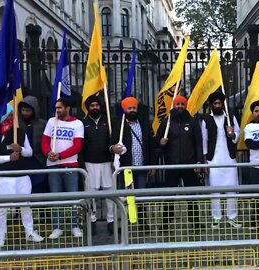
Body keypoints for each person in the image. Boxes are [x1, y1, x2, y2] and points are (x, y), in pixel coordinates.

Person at [0, 106, 44, 247]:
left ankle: (29, 232)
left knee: (26, 205)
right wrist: (8, 158)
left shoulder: (20, 133)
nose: (12, 117)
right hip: (4, 177)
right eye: (9, 115)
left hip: (22, 176)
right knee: (2, 208)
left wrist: (21, 149)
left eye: (13, 114)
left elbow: (29, 152)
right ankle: (1, 235)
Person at [157, 96, 204, 229]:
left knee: (192, 194)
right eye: (177, 104)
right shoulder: (167, 122)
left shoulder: (192, 121)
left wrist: (199, 161)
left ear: (185, 106)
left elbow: (198, 143)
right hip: (172, 164)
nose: (180, 107)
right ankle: (166, 222)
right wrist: (161, 142)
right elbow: (158, 140)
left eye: (182, 104)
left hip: (189, 164)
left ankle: (195, 221)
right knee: (169, 194)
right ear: (174, 105)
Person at [111, 97, 156, 231]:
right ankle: (128, 222)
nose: (132, 110)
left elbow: (151, 146)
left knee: (141, 195)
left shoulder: (144, 124)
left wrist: (152, 164)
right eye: (129, 108)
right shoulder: (118, 124)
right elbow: (111, 143)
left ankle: (143, 222)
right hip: (126, 167)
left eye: (134, 108)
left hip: (141, 166)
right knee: (127, 196)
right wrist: (113, 148)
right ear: (124, 110)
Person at [41, 98, 84, 239]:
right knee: (56, 198)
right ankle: (57, 227)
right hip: (53, 166)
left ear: (68, 108)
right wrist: (48, 153)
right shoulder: (51, 122)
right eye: (56, 108)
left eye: (60, 107)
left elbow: (77, 146)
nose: (57, 110)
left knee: (72, 198)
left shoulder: (78, 124)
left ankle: (75, 226)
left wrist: (60, 155)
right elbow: (45, 141)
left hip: (70, 165)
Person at [201, 92, 242, 228]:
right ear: (212, 105)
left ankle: (232, 217)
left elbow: (238, 135)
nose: (217, 106)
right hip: (214, 160)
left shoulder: (230, 117)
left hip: (229, 158)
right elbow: (203, 141)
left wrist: (233, 134)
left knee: (232, 189)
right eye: (215, 104)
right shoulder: (206, 119)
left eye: (219, 103)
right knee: (215, 190)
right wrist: (205, 160)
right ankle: (216, 217)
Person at [82, 95, 114, 235]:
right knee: (91, 194)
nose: (95, 108)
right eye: (92, 106)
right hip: (90, 163)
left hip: (107, 162)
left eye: (97, 105)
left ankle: (111, 221)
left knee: (110, 193)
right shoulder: (82, 123)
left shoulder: (108, 122)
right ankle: (92, 221)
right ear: (88, 108)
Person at [18, 96, 48, 193]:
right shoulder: (17, 124)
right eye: (23, 110)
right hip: (22, 162)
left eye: (28, 111)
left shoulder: (43, 124)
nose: (25, 113)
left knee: (38, 187)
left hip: (38, 161)